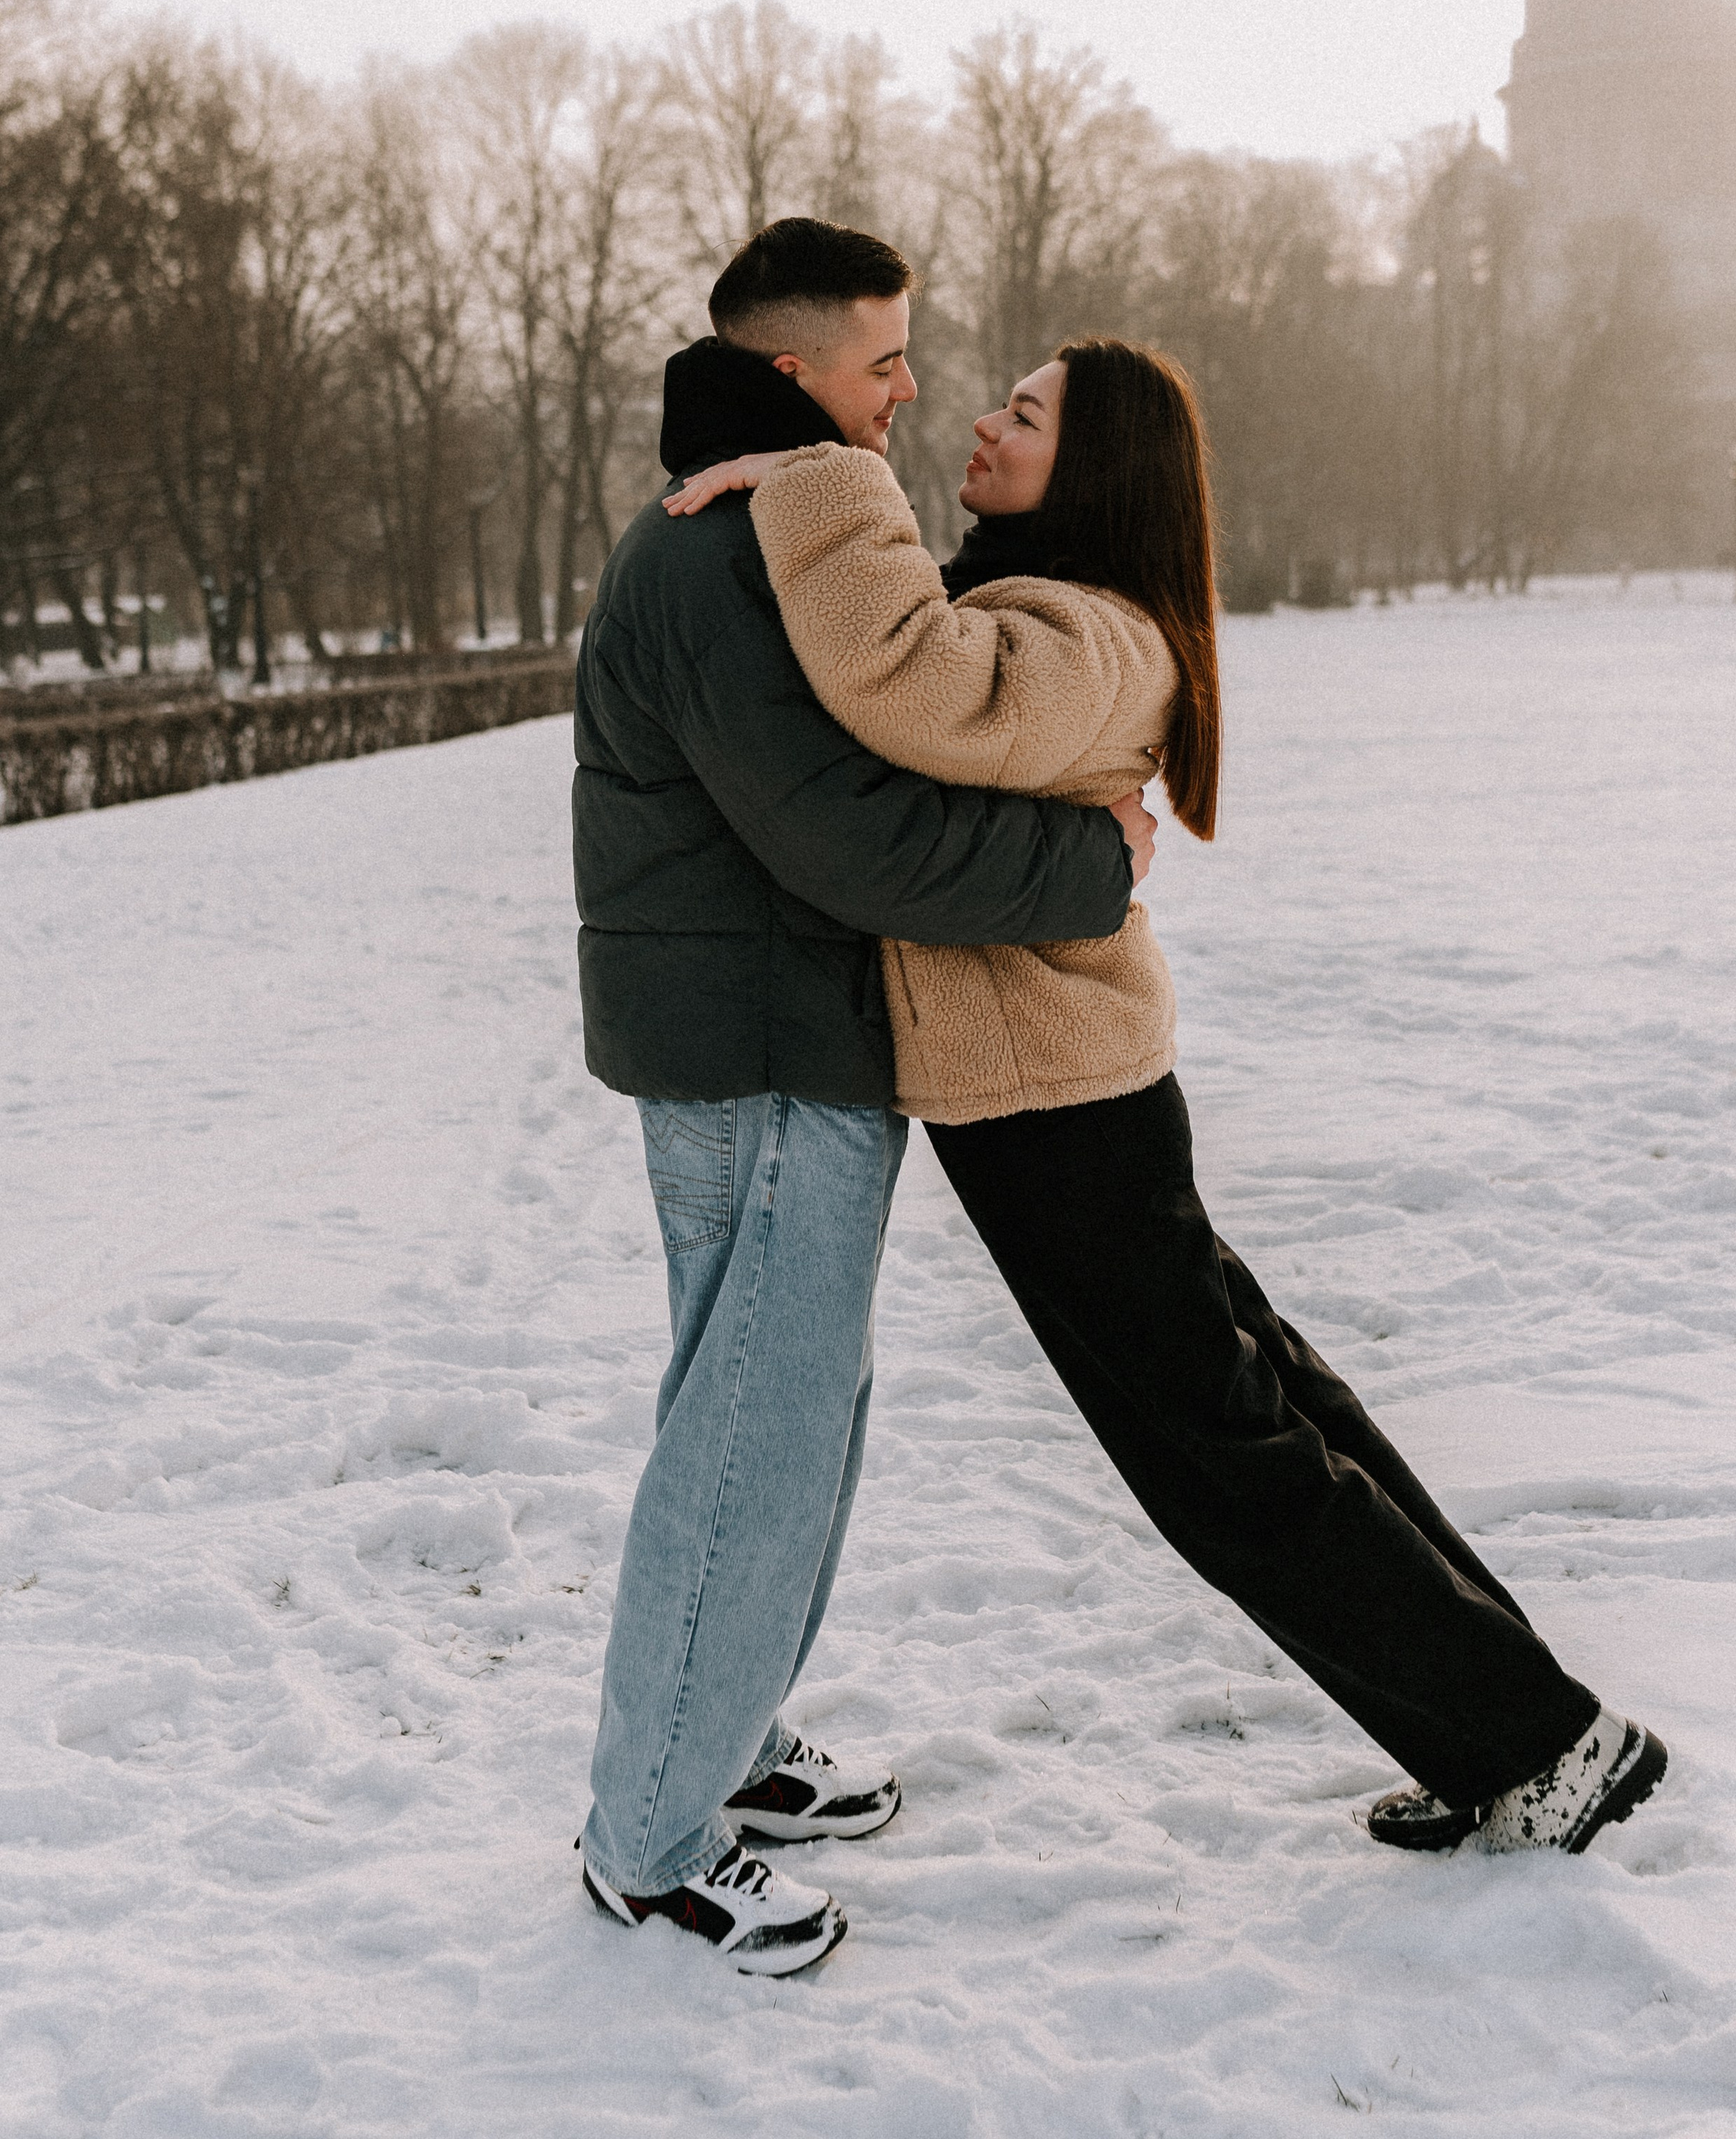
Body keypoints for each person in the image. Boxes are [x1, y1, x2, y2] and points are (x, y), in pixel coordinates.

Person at [667, 334, 1668, 1866]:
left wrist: (817, 475)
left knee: (1230, 1465)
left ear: (1100, 465)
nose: (985, 425)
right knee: (1269, 1415)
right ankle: (1527, 1731)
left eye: (1024, 414)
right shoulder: (1052, 606)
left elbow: (910, 687)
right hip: (1067, 1101)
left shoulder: (1088, 633)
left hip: (1059, 1109)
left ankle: (1531, 1740)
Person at [571, 220, 1151, 1975]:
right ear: (796, 363)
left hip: (776, 1034)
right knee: (755, 1436)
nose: (910, 389)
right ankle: (649, 1838)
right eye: (883, 360)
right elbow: (844, 828)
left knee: (780, 1419)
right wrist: (1084, 863)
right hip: (757, 1045)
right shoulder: (728, 542)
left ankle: (720, 1740)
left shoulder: (754, 516)